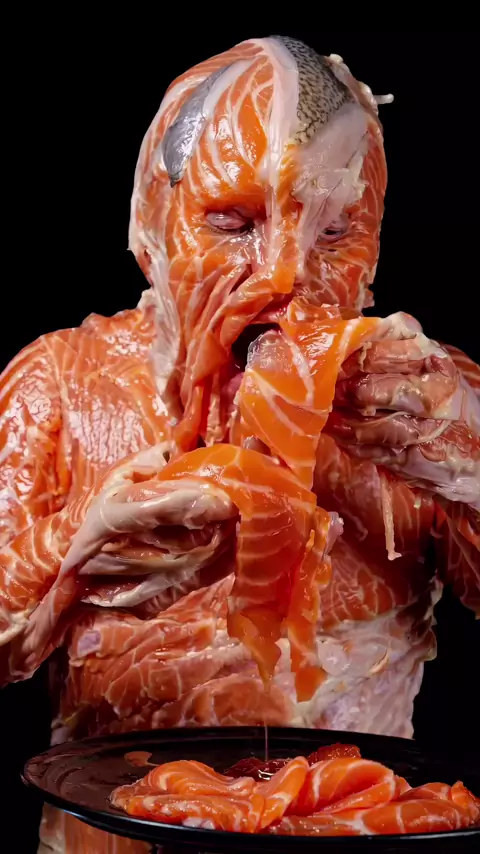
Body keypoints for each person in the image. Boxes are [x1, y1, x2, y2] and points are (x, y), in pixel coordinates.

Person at [1, 36, 478, 853]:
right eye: (232, 223)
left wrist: (470, 467)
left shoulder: (428, 401)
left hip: (346, 830)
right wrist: (70, 554)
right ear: (154, 226)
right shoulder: (59, 385)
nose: (284, 276)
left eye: (336, 231)